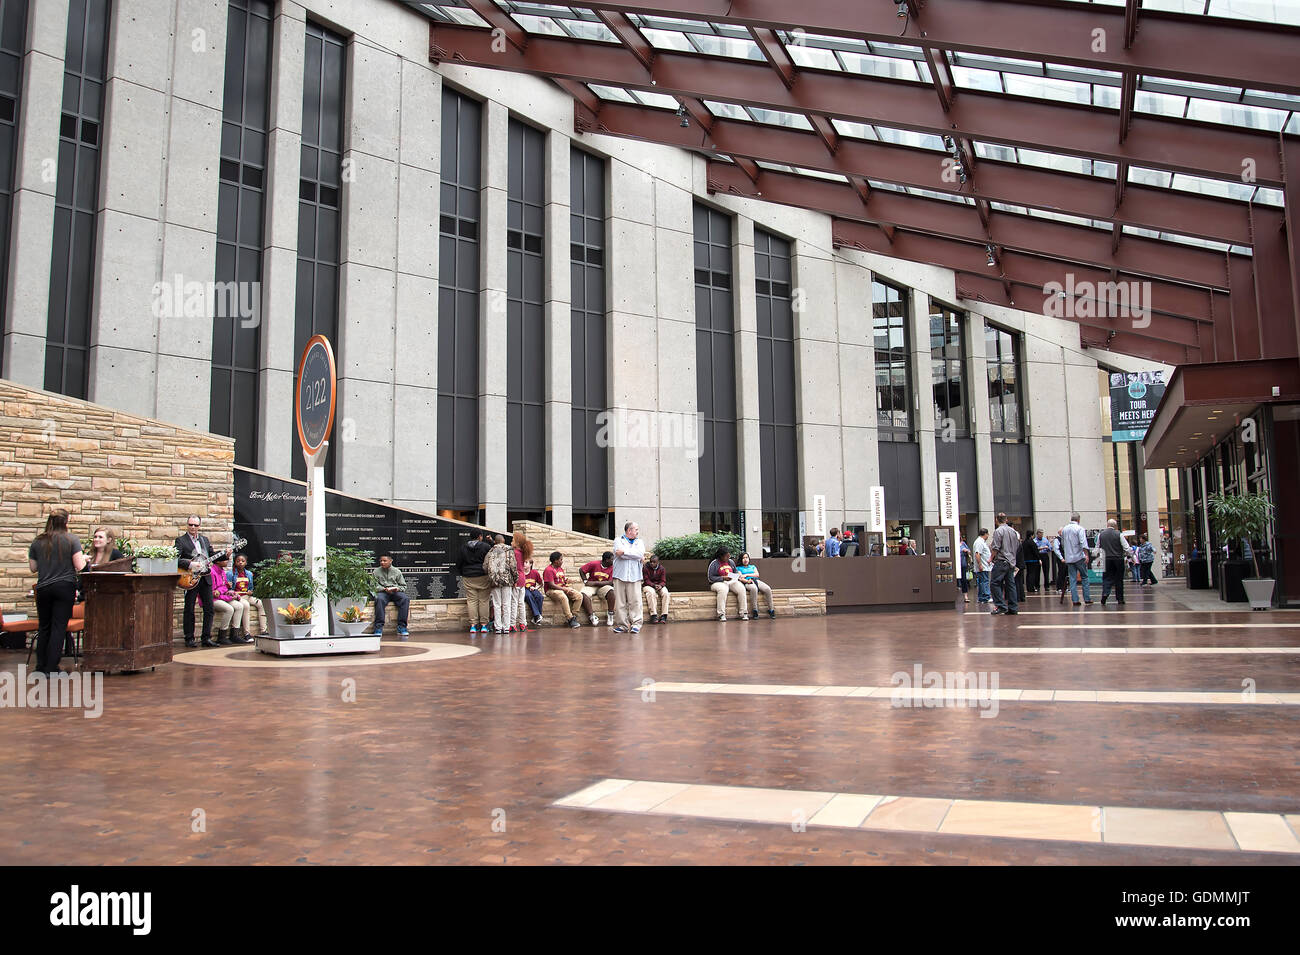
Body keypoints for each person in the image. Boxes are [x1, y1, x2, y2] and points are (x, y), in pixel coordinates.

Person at [28, 509, 87, 675]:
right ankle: (52, 668)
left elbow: (33, 568)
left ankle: (40, 666)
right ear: (66, 522)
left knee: (44, 627)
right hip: (64, 587)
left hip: (43, 588)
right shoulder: (71, 540)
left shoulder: (38, 541)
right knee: (58, 628)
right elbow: (80, 566)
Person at [177, 516, 217, 647]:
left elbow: (212, 556)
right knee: (189, 608)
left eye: (195, 525)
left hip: (205, 578)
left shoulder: (204, 540)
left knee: (209, 609)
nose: (193, 527)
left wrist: (225, 554)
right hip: (190, 578)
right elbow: (176, 559)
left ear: (199, 526)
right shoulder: (181, 541)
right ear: (187, 525)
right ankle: (189, 638)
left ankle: (206, 638)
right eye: (190, 524)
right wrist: (191, 564)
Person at [611, 522, 645, 634]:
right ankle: (622, 625)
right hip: (620, 575)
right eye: (636, 529)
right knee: (620, 602)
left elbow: (640, 554)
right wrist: (634, 555)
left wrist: (625, 552)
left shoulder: (639, 542)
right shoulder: (618, 540)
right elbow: (618, 553)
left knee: (635, 601)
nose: (638, 531)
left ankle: (636, 624)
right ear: (629, 530)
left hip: (635, 576)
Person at [457, 530, 493, 635]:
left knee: (471, 601)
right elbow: (492, 557)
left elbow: (459, 562)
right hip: (482, 576)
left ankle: (473, 625)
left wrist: (463, 572)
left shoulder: (463, 547)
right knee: (484, 601)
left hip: (468, 576)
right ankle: (484, 625)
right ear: (480, 537)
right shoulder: (485, 547)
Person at [209, 555, 249, 645]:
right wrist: (224, 593)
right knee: (229, 609)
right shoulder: (212, 572)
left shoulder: (222, 571)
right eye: (225, 560)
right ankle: (222, 635)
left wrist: (227, 593)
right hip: (213, 599)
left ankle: (235, 634)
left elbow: (224, 586)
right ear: (218, 562)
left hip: (222, 595)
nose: (227, 562)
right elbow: (213, 592)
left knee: (239, 606)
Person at [543, 551, 589, 628]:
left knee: (579, 596)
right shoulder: (548, 570)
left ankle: (573, 616)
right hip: (551, 590)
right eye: (561, 559)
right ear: (555, 561)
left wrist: (568, 581)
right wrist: (564, 589)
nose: (562, 561)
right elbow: (551, 585)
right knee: (562, 596)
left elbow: (562, 580)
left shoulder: (560, 569)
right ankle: (570, 618)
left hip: (561, 588)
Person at [370, 554, 411, 638]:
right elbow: (373, 586)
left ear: (390, 561)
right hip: (383, 592)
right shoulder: (376, 572)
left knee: (405, 599)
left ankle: (402, 627)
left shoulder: (397, 571)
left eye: (384, 561)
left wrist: (396, 589)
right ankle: (378, 627)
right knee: (379, 599)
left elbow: (403, 586)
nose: (382, 562)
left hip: (395, 592)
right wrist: (383, 589)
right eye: (381, 561)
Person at [988, 512, 1021, 616]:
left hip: (1002, 560)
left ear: (996, 520)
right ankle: (1013, 607)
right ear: (1006, 520)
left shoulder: (998, 531)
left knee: (994, 583)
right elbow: (1017, 546)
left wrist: (990, 558)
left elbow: (996, 547)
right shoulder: (1013, 531)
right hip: (1011, 561)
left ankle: (1001, 606)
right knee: (1010, 584)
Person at [484, 535, 517, 635]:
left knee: (496, 604)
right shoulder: (509, 550)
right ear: (503, 541)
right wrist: (515, 579)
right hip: (507, 580)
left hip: (494, 581)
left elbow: (485, 566)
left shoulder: (490, 551)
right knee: (506, 604)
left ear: (495, 541)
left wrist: (490, 575)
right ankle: (506, 627)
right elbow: (513, 566)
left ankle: (498, 627)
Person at [707, 548, 748, 622]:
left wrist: (736, 575)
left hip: (731, 581)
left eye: (729, 556)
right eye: (726, 556)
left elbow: (735, 572)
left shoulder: (731, 562)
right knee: (723, 589)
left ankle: (743, 612)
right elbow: (710, 577)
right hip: (717, 583)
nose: (728, 558)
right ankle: (721, 614)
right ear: (721, 556)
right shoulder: (714, 563)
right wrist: (723, 578)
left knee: (741, 588)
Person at [1061, 513, 1093, 606]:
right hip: (1079, 557)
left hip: (1069, 558)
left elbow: (1063, 544)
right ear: (1078, 520)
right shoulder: (1080, 529)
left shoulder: (1064, 530)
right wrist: (1086, 555)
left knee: (1072, 579)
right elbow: (1083, 543)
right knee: (1084, 577)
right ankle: (1087, 598)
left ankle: (1075, 600)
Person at [579, 551, 616, 627]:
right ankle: (592, 616)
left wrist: (595, 583)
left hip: (603, 586)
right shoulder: (594, 564)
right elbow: (581, 570)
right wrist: (585, 581)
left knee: (611, 592)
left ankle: (610, 614)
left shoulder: (613, 567)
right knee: (583, 594)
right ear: (607, 560)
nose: (613, 561)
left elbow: (610, 582)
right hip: (591, 586)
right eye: (612, 559)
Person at [736, 552, 775, 619]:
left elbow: (757, 575)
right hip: (747, 582)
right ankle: (755, 610)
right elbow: (741, 577)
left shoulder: (753, 566)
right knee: (754, 589)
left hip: (756, 580)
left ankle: (771, 610)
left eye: (747, 557)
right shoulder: (738, 568)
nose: (745, 559)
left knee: (767, 589)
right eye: (743, 558)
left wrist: (747, 575)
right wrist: (747, 578)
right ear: (741, 559)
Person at [1098, 518, 1127, 606]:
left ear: (1107, 525)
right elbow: (1126, 547)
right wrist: (1131, 555)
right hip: (1118, 559)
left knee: (1106, 577)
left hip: (1106, 559)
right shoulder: (1119, 534)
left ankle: (1105, 594)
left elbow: (1098, 548)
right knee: (1119, 579)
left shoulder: (1101, 535)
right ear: (1115, 526)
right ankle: (1120, 599)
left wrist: (1099, 559)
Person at [228, 554, 255, 640]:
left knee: (261, 603)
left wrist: (250, 592)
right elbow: (228, 589)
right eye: (238, 561)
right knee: (246, 605)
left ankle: (263, 631)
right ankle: (246, 634)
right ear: (235, 563)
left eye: (243, 561)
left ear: (246, 563)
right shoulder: (230, 574)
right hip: (237, 597)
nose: (240, 562)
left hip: (246, 595)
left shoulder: (249, 574)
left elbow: (251, 588)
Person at [512, 529, 533, 633]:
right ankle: (523, 624)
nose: (511, 541)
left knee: (514, 602)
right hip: (522, 578)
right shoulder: (523, 552)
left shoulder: (515, 552)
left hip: (516, 579)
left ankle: (512, 624)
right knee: (521, 603)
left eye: (513, 540)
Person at [642, 553, 671, 624]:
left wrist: (660, 585)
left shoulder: (662, 569)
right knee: (651, 593)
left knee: (665, 593)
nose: (652, 563)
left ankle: (664, 615)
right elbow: (646, 580)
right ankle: (653, 615)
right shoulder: (645, 568)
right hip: (648, 585)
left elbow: (663, 580)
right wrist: (654, 585)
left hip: (659, 585)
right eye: (651, 562)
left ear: (658, 562)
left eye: (654, 562)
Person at [522, 560, 545, 626]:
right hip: (524, 589)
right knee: (528, 596)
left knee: (540, 596)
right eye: (523, 562)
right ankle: (537, 615)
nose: (524, 564)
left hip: (532, 589)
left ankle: (536, 618)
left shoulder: (534, 572)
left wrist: (535, 588)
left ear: (531, 564)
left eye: (526, 562)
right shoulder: (521, 573)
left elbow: (541, 584)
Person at [973, 528, 992, 605]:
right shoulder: (979, 542)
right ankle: (985, 597)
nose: (988, 536)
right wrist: (980, 564)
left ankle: (982, 597)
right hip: (983, 566)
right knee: (984, 581)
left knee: (982, 581)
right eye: (988, 534)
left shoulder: (980, 542)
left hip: (984, 565)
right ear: (985, 534)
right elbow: (977, 554)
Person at [957, 538, 971, 603]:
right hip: (956, 564)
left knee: (964, 580)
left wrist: (966, 550)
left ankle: (966, 596)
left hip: (963, 564)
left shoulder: (963, 543)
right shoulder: (953, 543)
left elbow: (969, 552)